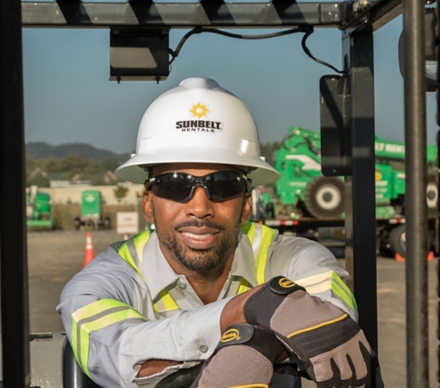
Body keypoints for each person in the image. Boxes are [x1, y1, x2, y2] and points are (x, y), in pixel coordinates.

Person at [57, 77, 382, 388]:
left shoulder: (294, 258)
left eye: (222, 185)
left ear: (245, 204)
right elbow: (121, 354)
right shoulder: (96, 288)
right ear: (148, 203)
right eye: (174, 185)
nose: (199, 207)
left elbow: (330, 323)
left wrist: (249, 347)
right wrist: (245, 311)